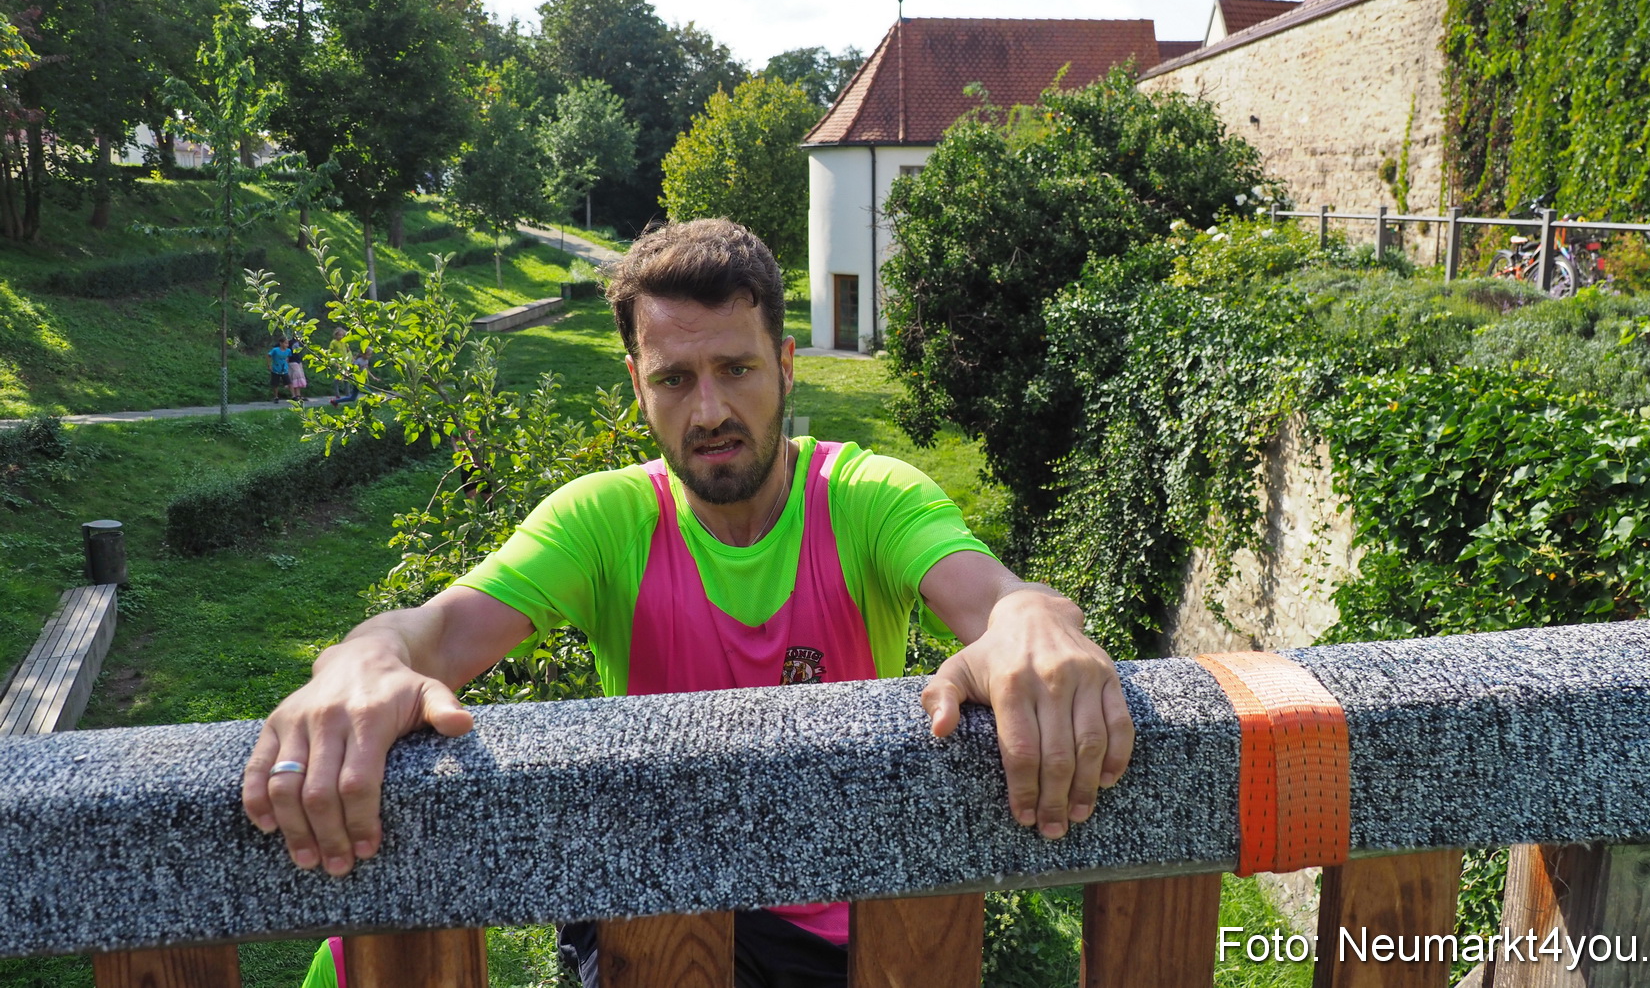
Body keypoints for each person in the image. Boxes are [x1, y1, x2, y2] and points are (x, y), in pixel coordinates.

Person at [245, 220, 1133, 988]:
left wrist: (1030, 622)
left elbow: (998, 598)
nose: (709, 409)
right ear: (638, 385)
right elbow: (434, 629)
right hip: (658, 913)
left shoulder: (867, 496)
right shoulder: (605, 519)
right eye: (674, 379)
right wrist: (364, 658)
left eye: (736, 368)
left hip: (851, 932)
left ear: (786, 366)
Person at [267, 337, 292, 402]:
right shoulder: (275, 350)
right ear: (281, 343)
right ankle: (276, 397)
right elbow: (269, 356)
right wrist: (269, 365)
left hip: (284, 369)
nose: (287, 345)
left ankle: (293, 396)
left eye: (287, 343)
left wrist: (287, 364)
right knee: (275, 384)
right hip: (276, 369)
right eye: (285, 343)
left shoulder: (288, 350)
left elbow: (288, 357)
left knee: (289, 382)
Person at [286, 334, 308, 404]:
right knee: (295, 376)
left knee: (298, 378)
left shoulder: (300, 342)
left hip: (298, 361)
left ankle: (298, 395)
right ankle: (293, 395)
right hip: (292, 361)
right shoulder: (290, 342)